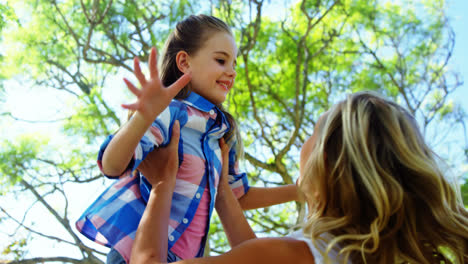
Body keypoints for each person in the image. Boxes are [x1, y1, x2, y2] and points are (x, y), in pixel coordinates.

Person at [131, 91, 468, 264]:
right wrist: (221, 193)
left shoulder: (291, 256)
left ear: (326, 161)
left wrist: (163, 184)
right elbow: (255, 252)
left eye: (313, 133)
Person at [75, 14, 299, 264]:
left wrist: (300, 191)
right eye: (221, 60)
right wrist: (143, 118)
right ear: (184, 62)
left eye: (234, 64)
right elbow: (112, 165)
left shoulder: (222, 134)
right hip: (135, 254)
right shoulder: (169, 113)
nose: (232, 72)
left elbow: (237, 196)